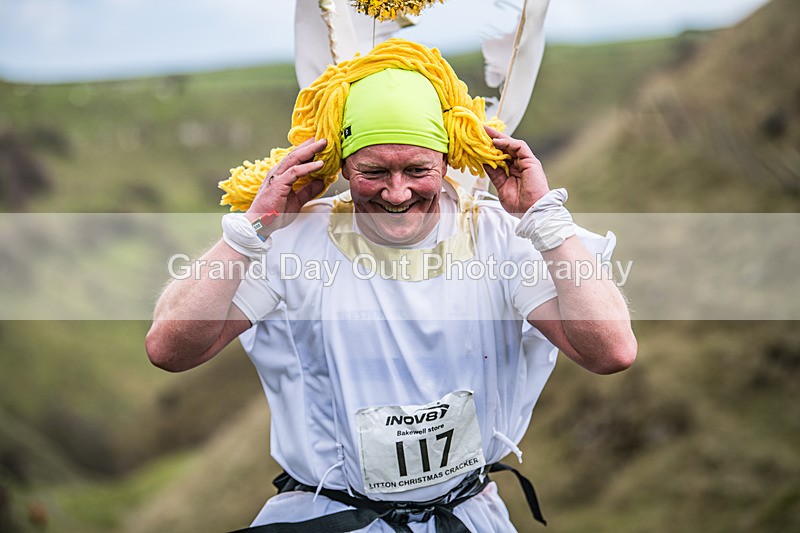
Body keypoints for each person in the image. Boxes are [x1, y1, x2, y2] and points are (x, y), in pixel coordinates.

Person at [146, 39, 636, 532]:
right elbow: (171, 348)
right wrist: (254, 226)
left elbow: (611, 351)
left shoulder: (500, 237)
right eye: (374, 171)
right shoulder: (292, 241)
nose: (397, 192)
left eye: (417, 170)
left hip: (466, 516)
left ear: (446, 162)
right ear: (342, 167)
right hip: (329, 515)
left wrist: (544, 219)